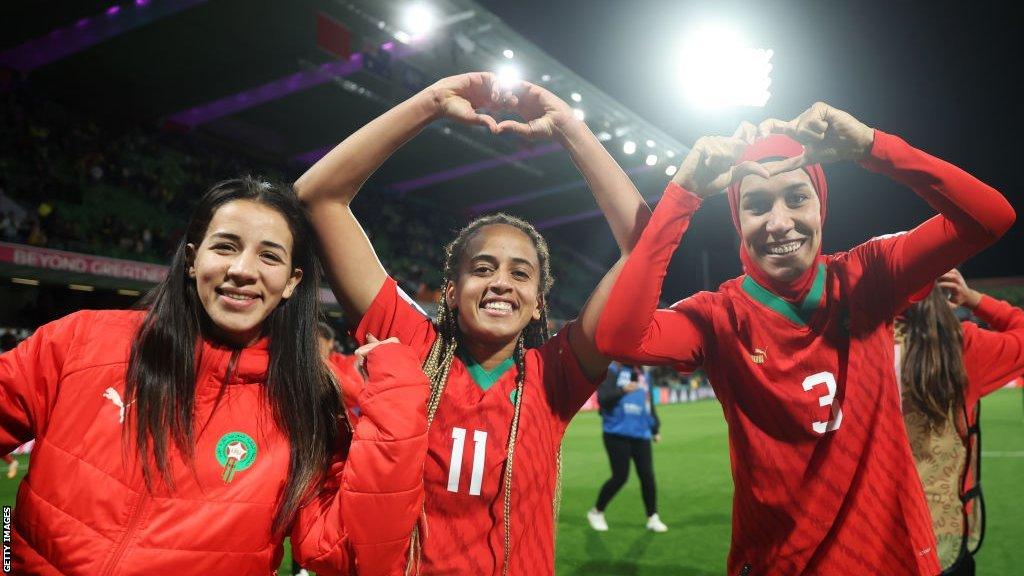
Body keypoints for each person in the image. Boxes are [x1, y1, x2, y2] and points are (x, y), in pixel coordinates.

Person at [595, 102, 1015, 575]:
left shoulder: (867, 276)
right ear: (737, 218)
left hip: (888, 561)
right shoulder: (719, 316)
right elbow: (618, 336)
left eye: (797, 198)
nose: (778, 222)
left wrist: (873, 148)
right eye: (756, 205)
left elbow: (990, 217)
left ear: (821, 205)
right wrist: (683, 194)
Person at [295, 72, 650, 575]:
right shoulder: (412, 344)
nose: (501, 282)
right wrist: (432, 103)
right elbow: (318, 196)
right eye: (482, 269)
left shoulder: (556, 376)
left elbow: (644, 248)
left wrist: (569, 126)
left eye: (519, 273)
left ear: (537, 302)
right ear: (451, 290)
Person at [0, 177, 429, 575]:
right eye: (225, 246)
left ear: (292, 282)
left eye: (269, 255)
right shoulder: (81, 340)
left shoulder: (309, 407)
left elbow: (352, 555)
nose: (243, 269)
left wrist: (398, 406)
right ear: (192, 259)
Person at [898, 269, 1024, 575]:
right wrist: (973, 299)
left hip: (867, 535)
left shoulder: (847, 344)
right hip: (944, 535)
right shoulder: (963, 346)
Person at [587, 362, 666, 533]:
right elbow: (603, 399)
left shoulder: (644, 375)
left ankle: (652, 517)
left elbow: (648, 403)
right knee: (620, 477)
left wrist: (655, 428)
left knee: (647, 477)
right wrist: (623, 390)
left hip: (641, 433)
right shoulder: (611, 371)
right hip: (616, 433)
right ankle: (596, 511)